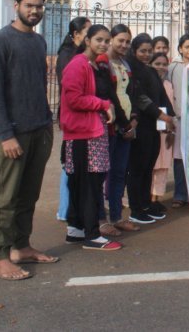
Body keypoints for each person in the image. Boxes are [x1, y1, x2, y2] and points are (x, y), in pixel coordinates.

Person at [0, 0, 58, 280]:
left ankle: (21, 246)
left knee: (29, 194)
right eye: (29, 5)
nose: (35, 11)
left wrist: (46, 121)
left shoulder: (38, 43)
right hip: (13, 134)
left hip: (39, 130)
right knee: (5, 198)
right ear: (16, 5)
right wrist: (5, 135)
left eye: (39, 6)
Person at [60, 25, 122, 251]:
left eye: (107, 40)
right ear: (87, 40)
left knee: (86, 182)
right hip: (83, 133)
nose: (104, 44)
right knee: (89, 184)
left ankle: (75, 229)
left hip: (93, 132)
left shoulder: (95, 65)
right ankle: (92, 235)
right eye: (99, 39)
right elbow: (74, 99)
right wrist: (103, 104)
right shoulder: (77, 65)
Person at [126, 34, 176, 224]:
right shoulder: (133, 71)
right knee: (137, 168)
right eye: (142, 51)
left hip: (154, 127)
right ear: (135, 51)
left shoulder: (151, 72)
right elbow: (141, 98)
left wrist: (170, 119)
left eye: (149, 51)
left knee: (148, 166)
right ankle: (135, 209)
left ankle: (146, 204)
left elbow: (163, 98)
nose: (146, 55)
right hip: (141, 125)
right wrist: (161, 115)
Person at [54, 16, 90, 222]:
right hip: (72, 116)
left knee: (78, 162)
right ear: (76, 35)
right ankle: (65, 209)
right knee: (69, 163)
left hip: (81, 116)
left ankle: (73, 206)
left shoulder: (80, 54)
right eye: (88, 32)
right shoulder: (68, 55)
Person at [103, 25, 139, 233]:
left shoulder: (125, 63)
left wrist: (133, 121)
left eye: (127, 41)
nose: (124, 45)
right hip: (109, 126)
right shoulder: (103, 64)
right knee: (101, 175)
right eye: (120, 41)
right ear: (111, 40)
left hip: (126, 126)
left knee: (119, 173)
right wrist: (123, 122)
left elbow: (131, 94)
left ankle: (116, 216)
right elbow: (109, 95)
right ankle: (101, 219)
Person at [167, 34, 189, 208]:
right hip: (178, 117)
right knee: (179, 158)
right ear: (180, 49)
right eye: (187, 46)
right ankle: (179, 194)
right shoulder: (172, 68)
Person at [150, 52, 177, 209]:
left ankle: (156, 198)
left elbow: (170, 108)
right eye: (157, 64)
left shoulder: (168, 85)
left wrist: (171, 127)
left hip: (165, 130)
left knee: (163, 166)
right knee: (150, 165)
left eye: (164, 64)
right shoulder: (146, 83)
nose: (161, 67)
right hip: (151, 129)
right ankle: (147, 198)